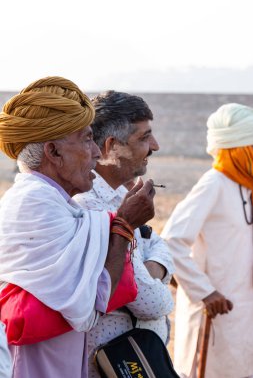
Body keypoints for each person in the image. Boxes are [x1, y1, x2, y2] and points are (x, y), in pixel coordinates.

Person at [0, 77, 155, 378]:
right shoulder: (34, 203)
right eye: (86, 139)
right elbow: (89, 305)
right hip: (32, 363)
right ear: (53, 152)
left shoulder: (57, 202)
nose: (97, 153)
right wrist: (123, 225)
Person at [74, 90, 174, 377]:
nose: (155, 145)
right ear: (110, 147)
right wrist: (158, 274)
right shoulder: (91, 207)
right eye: (144, 137)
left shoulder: (123, 197)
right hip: (116, 363)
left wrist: (152, 268)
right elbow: (155, 304)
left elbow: (159, 242)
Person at [161, 103, 253, 378]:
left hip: (244, 311)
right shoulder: (213, 183)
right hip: (216, 313)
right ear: (236, 148)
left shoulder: (246, 186)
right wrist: (205, 291)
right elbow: (172, 242)